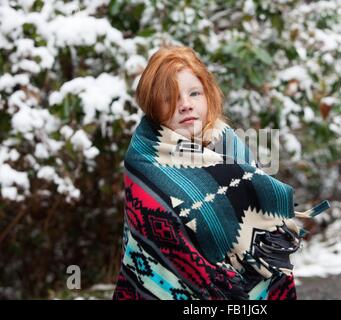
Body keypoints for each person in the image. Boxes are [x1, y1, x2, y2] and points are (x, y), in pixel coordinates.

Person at [112, 45, 302, 300]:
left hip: (245, 288)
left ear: (208, 95)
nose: (186, 105)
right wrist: (209, 278)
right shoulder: (144, 161)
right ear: (153, 105)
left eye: (194, 93)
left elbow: (263, 227)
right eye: (170, 98)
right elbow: (159, 242)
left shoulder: (228, 143)